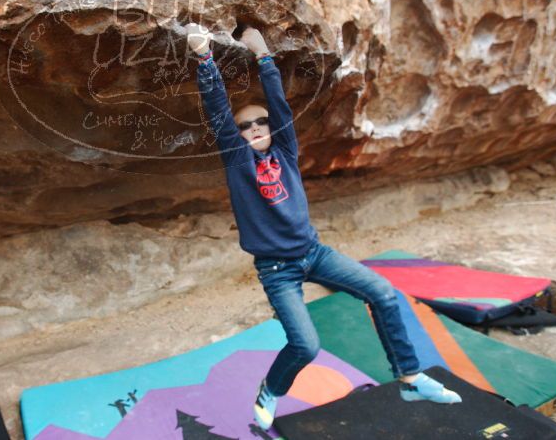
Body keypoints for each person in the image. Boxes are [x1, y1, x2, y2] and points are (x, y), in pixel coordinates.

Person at [186, 22, 462, 431]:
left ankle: (409, 377)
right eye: (244, 127)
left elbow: (278, 107)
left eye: (259, 122)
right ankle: (271, 390)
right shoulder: (239, 162)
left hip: (315, 253)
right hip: (277, 269)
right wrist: (204, 58)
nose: (253, 129)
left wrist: (264, 57)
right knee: (306, 345)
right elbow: (219, 113)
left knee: (385, 294)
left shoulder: (286, 151)